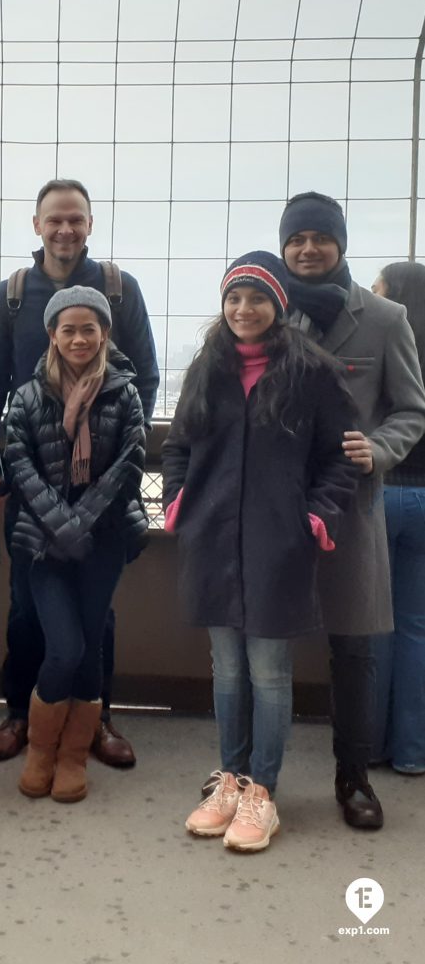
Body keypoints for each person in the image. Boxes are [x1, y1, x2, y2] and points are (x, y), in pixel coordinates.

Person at [162, 252, 358, 851]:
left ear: (279, 305)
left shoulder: (312, 372)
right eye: (233, 298)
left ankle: (262, 793)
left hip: (280, 543)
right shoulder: (207, 368)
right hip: (214, 539)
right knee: (227, 670)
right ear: (223, 307)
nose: (243, 310)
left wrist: (316, 517)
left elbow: (338, 458)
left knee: (269, 674)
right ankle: (231, 780)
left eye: (256, 298)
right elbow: (178, 446)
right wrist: (177, 504)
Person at [0, 178, 159, 768]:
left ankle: (96, 718)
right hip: (31, 483)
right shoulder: (13, 295)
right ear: (36, 225)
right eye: (54, 219)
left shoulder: (119, 290)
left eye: (76, 219)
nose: (65, 229)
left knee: (96, 612)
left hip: (100, 489)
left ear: (90, 224)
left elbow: (145, 378)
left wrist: (109, 446)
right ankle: (21, 712)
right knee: (26, 606)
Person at [279, 193, 425, 828]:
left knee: (357, 649)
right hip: (277, 510)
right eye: (297, 239)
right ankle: (257, 776)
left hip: (356, 508)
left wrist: (382, 448)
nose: (308, 249)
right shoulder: (266, 311)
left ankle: (355, 778)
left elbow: (411, 410)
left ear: (340, 243)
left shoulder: (386, 318)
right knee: (267, 646)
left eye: (321, 237)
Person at [5, 286, 146, 803]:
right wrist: (61, 524)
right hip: (43, 545)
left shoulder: (123, 392)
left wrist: (80, 522)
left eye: (90, 329)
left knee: (88, 649)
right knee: (63, 646)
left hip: (102, 542)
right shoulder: (27, 395)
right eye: (70, 329)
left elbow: (129, 465)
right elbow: (18, 465)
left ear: (105, 333)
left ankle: (71, 756)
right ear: (52, 335)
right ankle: (41, 749)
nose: (80, 338)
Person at [371, 261, 425, 776]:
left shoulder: (384, 339)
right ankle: (412, 752)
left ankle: (369, 746)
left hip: (381, 495)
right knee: (417, 629)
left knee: (374, 627)